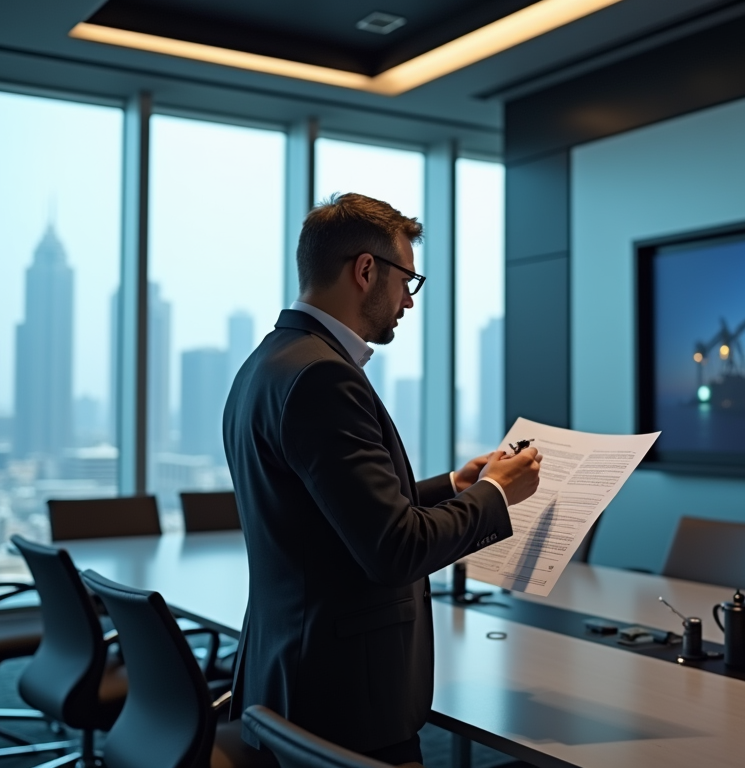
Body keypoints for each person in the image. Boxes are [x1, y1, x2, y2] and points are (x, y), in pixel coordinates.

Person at [222, 192, 541, 766]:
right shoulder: (324, 378)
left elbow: (332, 513)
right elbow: (394, 548)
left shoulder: (268, 363)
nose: (408, 302)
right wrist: (496, 494)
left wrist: (454, 485)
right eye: (407, 282)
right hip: (344, 698)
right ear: (366, 270)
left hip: (293, 672)